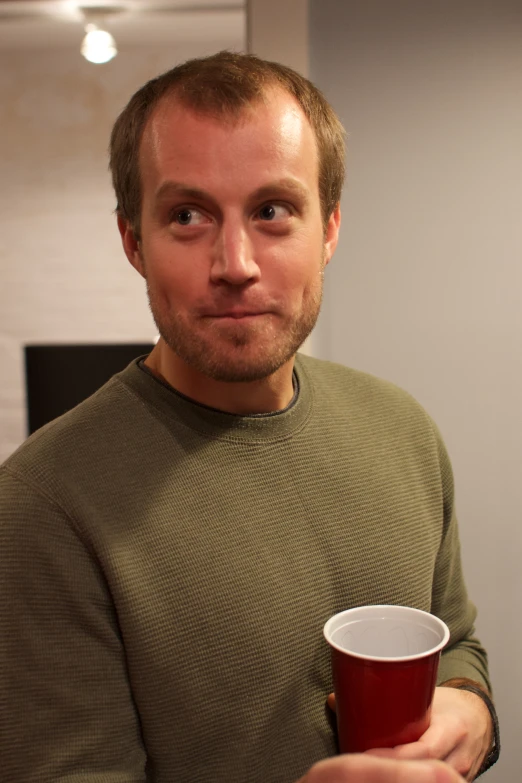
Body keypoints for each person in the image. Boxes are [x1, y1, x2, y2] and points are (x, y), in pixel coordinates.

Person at [0, 52, 498, 783]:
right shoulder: (41, 504)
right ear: (133, 242)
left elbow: (456, 642)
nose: (235, 262)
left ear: (327, 229)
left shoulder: (404, 430)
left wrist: (472, 712)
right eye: (188, 215)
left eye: (272, 210)